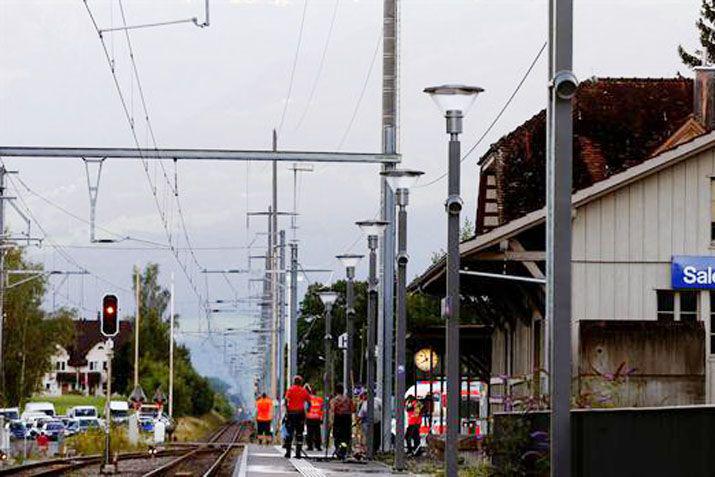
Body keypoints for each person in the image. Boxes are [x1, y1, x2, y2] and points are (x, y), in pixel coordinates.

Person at [283, 375, 312, 458]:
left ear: (294, 382)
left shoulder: (290, 390)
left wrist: (287, 409)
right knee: (299, 433)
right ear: (301, 382)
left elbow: (286, 400)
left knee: (289, 433)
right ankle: (298, 453)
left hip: (291, 414)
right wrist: (308, 409)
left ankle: (288, 453)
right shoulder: (303, 391)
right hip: (300, 414)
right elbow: (309, 401)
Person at [330, 383, 354, 460]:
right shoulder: (348, 399)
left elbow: (332, 411)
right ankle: (342, 451)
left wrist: (331, 421)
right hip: (347, 419)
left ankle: (338, 450)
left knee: (337, 436)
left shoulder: (334, 400)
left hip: (338, 418)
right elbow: (352, 409)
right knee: (345, 437)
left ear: (336, 391)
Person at [304, 385, 323, 452]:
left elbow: (306, 408)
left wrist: (305, 416)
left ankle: (310, 446)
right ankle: (318, 446)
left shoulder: (308, 399)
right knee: (317, 432)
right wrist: (321, 417)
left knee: (310, 433)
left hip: (309, 417)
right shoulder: (320, 399)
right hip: (317, 417)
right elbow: (322, 409)